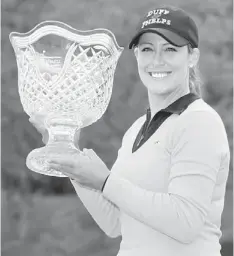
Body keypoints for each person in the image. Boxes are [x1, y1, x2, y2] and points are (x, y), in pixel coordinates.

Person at [31, 5, 230, 256]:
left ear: (192, 57)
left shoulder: (199, 122)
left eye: (170, 49)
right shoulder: (136, 129)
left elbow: (185, 222)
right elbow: (115, 222)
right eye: (147, 49)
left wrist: (105, 181)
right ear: (136, 55)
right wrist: (71, 157)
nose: (157, 60)